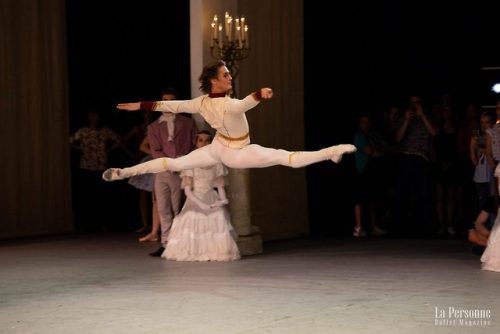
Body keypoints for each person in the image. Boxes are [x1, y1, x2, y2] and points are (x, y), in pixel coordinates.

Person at [102, 60, 356, 181]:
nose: (230, 77)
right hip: (234, 152)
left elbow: (168, 105)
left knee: (174, 164)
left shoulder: (200, 103)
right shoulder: (230, 104)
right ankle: (330, 152)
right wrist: (260, 94)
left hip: (217, 148)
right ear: (215, 81)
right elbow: (246, 102)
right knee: (284, 157)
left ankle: (125, 172)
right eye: (226, 74)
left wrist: (139, 105)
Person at [162, 131, 240, 261]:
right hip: (195, 197)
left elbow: (219, 186)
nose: (204, 143)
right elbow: (187, 190)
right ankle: (193, 251)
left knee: (218, 216)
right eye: (200, 140)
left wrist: (223, 199)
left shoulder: (216, 163)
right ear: (196, 143)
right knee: (192, 216)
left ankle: (215, 251)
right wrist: (201, 204)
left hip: (210, 195)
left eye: (206, 140)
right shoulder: (191, 162)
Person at [145, 88, 198, 257]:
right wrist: (169, 163)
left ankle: (180, 241)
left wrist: (182, 163)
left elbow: (194, 145)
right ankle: (165, 242)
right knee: (162, 207)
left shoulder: (188, 123)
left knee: (178, 206)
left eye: (171, 100)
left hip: (181, 168)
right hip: (163, 169)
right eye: (164, 100)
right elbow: (155, 148)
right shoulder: (154, 126)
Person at [70, 110, 120, 232]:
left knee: (101, 196)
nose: (93, 118)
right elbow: (70, 141)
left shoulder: (104, 131)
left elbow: (118, 140)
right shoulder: (83, 131)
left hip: (101, 166)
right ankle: (86, 223)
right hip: (86, 165)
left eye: (95, 115)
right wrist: (80, 148)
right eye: (91, 115)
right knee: (87, 195)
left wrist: (107, 150)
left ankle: (102, 223)